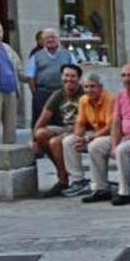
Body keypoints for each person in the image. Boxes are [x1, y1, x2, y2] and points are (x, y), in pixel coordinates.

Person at [83, 64, 130, 205]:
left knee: (122, 150)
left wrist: (128, 138)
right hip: (122, 136)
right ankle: (101, 189)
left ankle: (124, 192)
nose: (126, 79)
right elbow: (116, 121)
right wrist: (114, 144)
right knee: (95, 146)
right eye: (124, 75)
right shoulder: (121, 94)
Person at [32, 64, 84, 197]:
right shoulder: (58, 94)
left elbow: (85, 122)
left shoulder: (84, 94)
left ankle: (62, 178)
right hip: (63, 128)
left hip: (80, 129)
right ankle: (63, 173)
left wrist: (70, 132)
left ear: (79, 79)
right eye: (66, 75)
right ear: (61, 77)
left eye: (73, 76)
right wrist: (33, 140)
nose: (69, 79)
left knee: (55, 142)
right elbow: (43, 118)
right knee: (40, 134)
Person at [61, 74, 114, 197]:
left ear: (100, 87)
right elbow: (80, 123)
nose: (89, 90)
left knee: (95, 145)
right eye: (86, 87)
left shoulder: (110, 99)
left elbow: (110, 127)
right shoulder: (83, 100)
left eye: (93, 86)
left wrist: (89, 138)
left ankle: (100, 186)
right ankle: (77, 181)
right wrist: (78, 138)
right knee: (68, 141)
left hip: (111, 135)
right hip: (95, 134)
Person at [25, 27, 73, 128]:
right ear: (43, 40)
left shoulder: (67, 55)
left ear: (58, 39)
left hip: (63, 93)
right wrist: (35, 93)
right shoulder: (36, 56)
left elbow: (76, 73)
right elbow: (30, 77)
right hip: (43, 93)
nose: (50, 40)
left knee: (63, 123)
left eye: (53, 37)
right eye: (47, 38)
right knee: (41, 123)